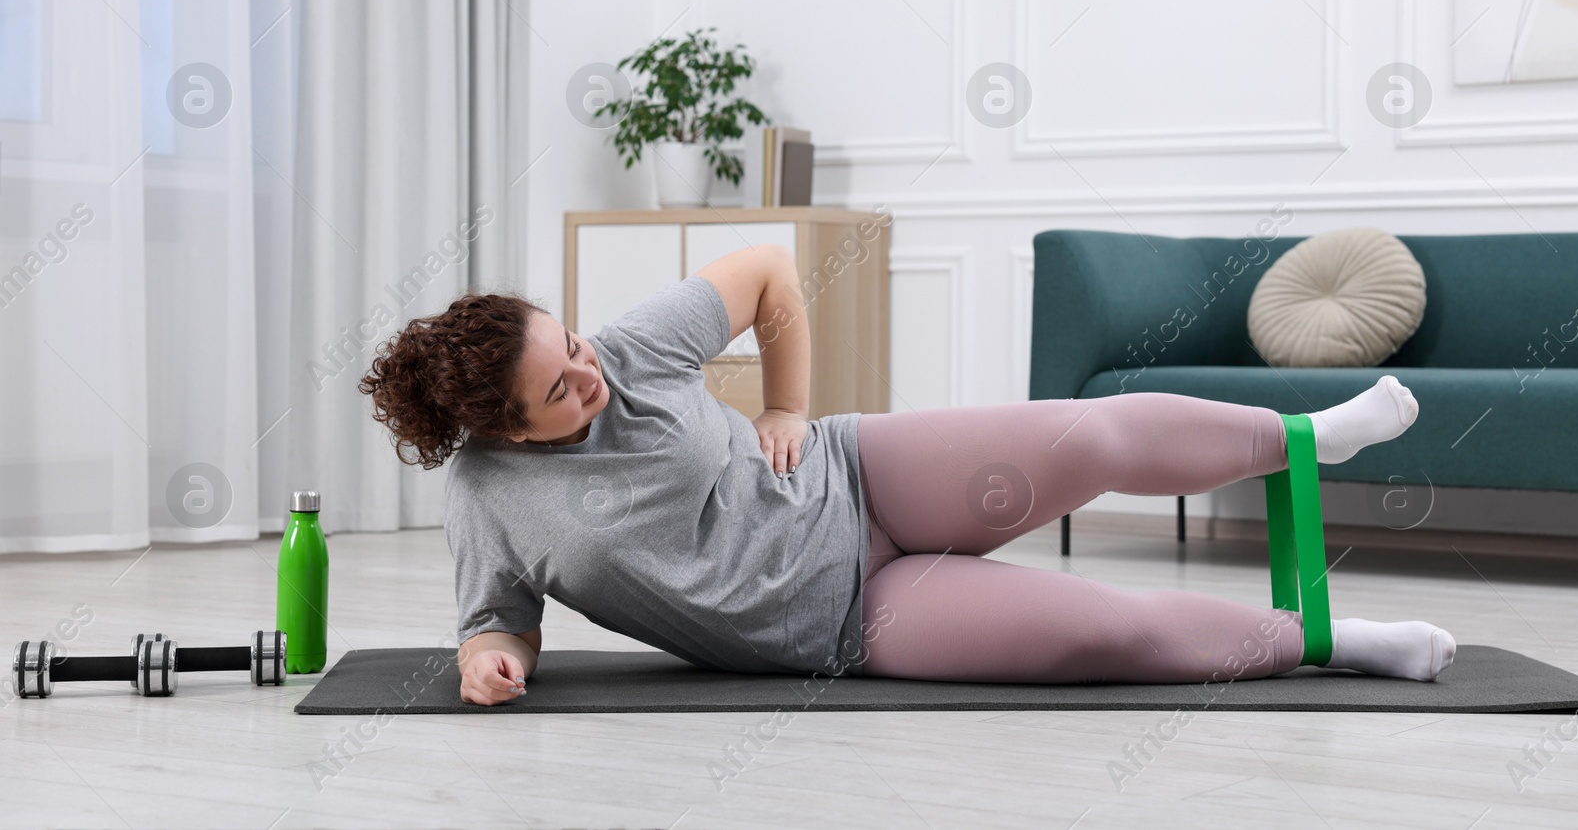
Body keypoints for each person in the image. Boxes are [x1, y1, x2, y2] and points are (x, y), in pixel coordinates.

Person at [358, 244, 1456, 706]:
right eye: (560, 388)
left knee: (1092, 437)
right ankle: (1332, 640)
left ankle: (1314, 432)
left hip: (861, 474)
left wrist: (786, 403)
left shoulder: (630, 347)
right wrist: (490, 661)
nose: (590, 371)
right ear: (499, 428)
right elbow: (496, 618)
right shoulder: (486, 500)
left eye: (576, 349)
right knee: (1102, 633)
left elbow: (767, 271)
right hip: (846, 618)